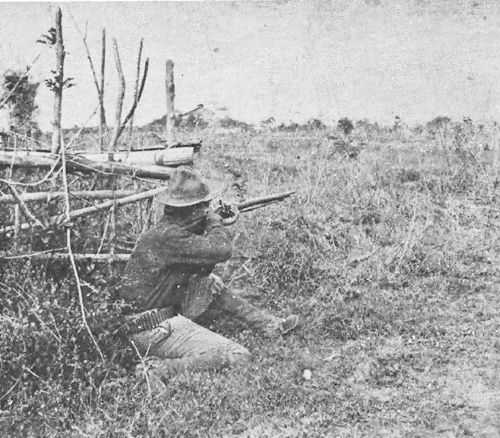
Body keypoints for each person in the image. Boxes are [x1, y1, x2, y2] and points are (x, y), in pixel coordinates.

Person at [118, 168, 298, 382]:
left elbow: (203, 266)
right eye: (203, 207)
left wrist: (211, 223)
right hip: (152, 329)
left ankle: (268, 325)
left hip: (153, 318)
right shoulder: (168, 237)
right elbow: (221, 250)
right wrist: (214, 223)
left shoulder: (166, 232)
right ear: (190, 210)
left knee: (208, 283)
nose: (206, 210)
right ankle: (159, 369)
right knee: (239, 356)